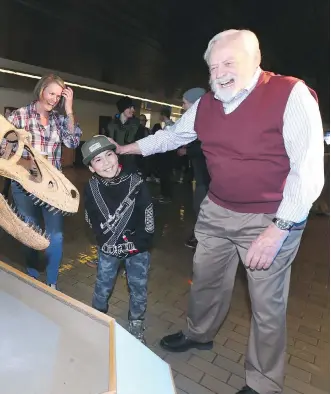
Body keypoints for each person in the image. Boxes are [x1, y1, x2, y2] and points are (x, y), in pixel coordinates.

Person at [106, 29, 325, 394]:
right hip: (218, 210)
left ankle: (265, 382)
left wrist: (278, 230)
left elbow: (309, 170)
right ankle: (199, 334)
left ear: (256, 61)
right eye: (212, 67)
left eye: (228, 63)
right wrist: (125, 149)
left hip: (270, 217)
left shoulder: (290, 94)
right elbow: (171, 137)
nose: (219, 73)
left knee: (266, 306)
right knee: (205, 280)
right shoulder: (207, 104)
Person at [4, 74, 82, 289]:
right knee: (31, 232)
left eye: (59, 96)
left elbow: (73, 141)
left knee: (55, 236)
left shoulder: (59, 119)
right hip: (24, 185)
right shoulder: (20, 117)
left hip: (52, 188)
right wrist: (26, 162)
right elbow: (5, 150)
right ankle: (31, 276)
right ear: (41, 91)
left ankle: (51, 283)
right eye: (51, 94)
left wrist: (69, 109)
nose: (54, 99)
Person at [81, 135, 154, 344]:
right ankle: (98, 316)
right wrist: (108, 243)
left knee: (138, 286)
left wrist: (137, 244)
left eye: (109, 154)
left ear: (116, 154)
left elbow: (147, 217)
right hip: (108, 248)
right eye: (98, 160)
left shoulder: (136, 182)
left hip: (138, 249)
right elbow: (91, 218)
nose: (106, 163)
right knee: (103, 284)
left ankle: (137, 322)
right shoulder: (91, 188)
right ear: (91, 168)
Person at [177, 87, 210, 249]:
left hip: (207, 177)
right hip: (201, 175)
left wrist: (187, 150)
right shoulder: (198, 120)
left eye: (184, 103)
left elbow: (205, 146)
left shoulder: (206, 121)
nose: (183, 107)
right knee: (200, 207)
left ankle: (201, 238)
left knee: (201, 207)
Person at [107, 96, 140, 172]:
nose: (133, 110)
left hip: (131, 161)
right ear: (123, 108)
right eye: (130, 107)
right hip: (115, 161)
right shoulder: (111, 124)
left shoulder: (136, 124)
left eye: (133, 107)